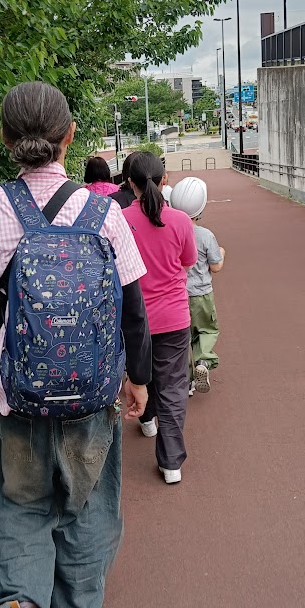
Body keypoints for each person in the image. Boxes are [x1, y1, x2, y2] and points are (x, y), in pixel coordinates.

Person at [0, 81, 151, 608]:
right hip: (92, 398)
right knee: (89, 509)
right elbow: (133, 310)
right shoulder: (105, 213)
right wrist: (138, 379)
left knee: (22, 508)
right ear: (69, 137)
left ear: (6, 138)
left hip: (21, 400)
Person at [123, 152, 198, 484]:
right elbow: (188, 261)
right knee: (173, 386)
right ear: (164, 179)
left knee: (143, 372)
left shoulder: (120, 220)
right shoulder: (181, 220)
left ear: (130, 183)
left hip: (134, 318)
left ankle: (147, 421)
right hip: (174, 317)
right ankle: (171, 463)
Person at [170, 177, 225, 394]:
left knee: (182, 338)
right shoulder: (205, 235)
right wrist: (222, 253)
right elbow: (216, 266)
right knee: (206, 330)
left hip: (178, 295)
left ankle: (187, 380)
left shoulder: (171, 232)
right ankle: (203, 361)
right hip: (202, 294)